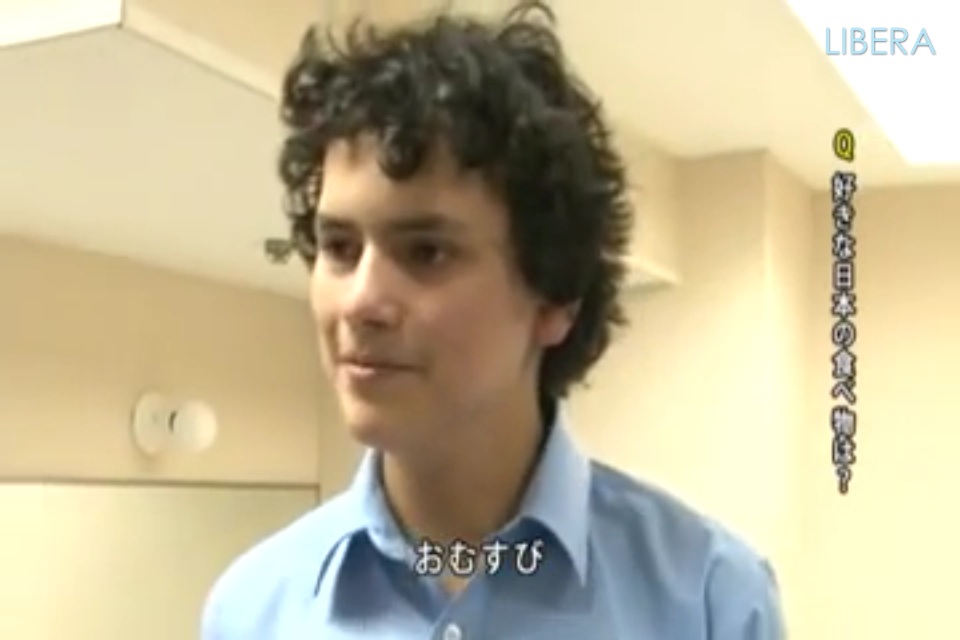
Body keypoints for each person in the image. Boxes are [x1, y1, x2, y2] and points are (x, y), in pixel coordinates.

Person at [201, 2, 785, 638]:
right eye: (340, 248)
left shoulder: (709, 600)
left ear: (554, 299)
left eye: (426, 252)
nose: (361, 302)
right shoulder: (253, 609)